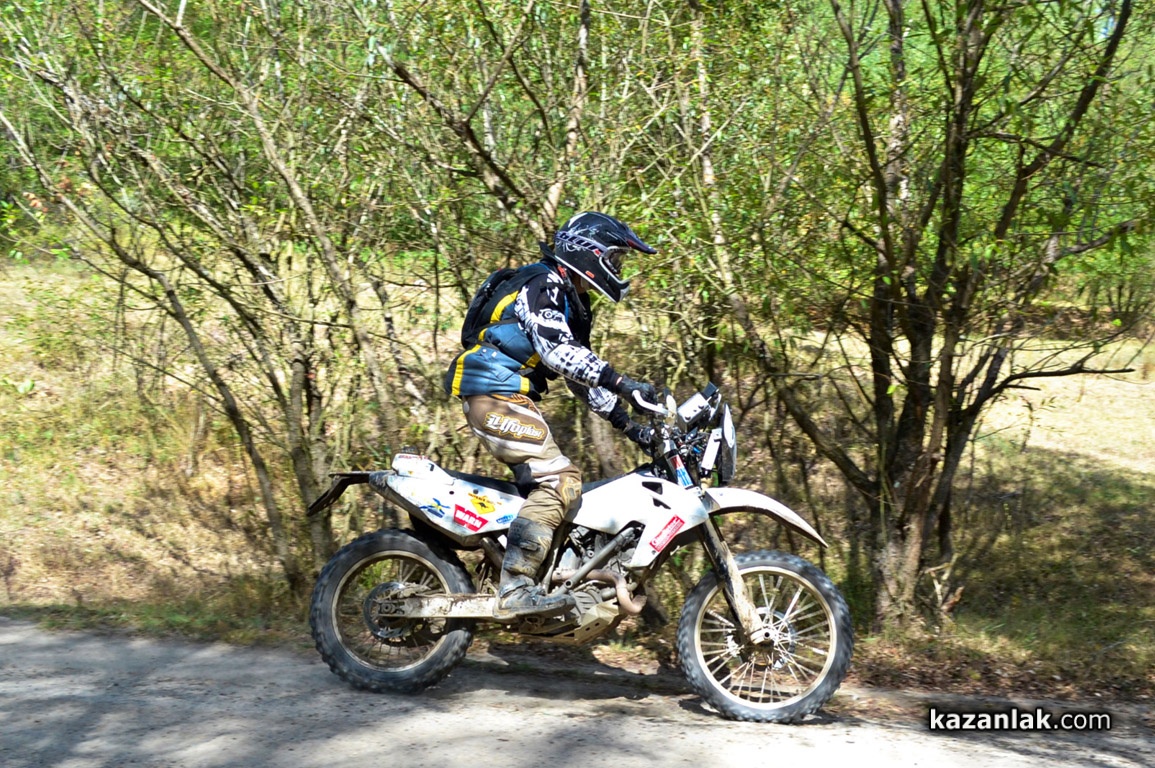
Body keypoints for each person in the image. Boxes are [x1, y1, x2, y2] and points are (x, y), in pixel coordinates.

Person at [444, 212, 660, 620]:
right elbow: (557, 352)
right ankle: (515, 588)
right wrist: (623, 383)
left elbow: (580, 375)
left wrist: (631, 427)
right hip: (491, 393)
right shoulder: (543, 284)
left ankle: (532, 572)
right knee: (560, 480)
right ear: (588, 253)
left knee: (553, 487)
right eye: (614, 259)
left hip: (507, 395)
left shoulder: (571, 299)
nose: (617, 269)